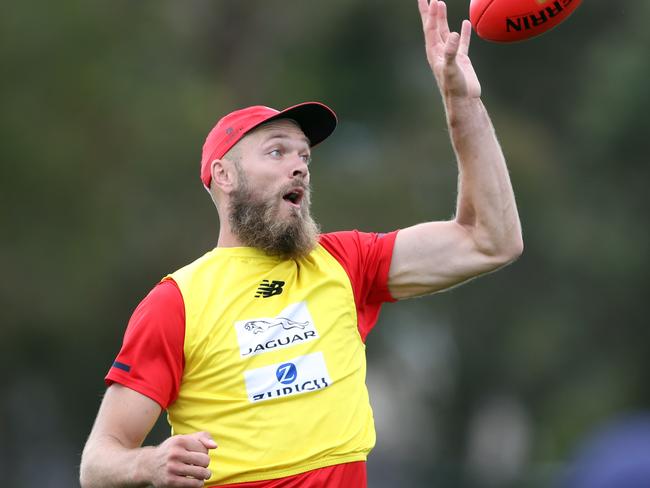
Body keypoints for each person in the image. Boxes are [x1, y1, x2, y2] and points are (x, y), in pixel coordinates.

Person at [79, 1, 523, 487]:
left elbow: (490, 240)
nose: (299, 166)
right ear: (223, 175)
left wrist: (462, 101)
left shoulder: (345, 263)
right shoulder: (176, 303)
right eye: (276, 151)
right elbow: (98, 462)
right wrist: (148, 463)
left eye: (303, 156)